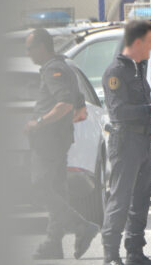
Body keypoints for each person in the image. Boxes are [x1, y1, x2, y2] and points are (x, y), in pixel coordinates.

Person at [24, 28, 99, 260]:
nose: (28, 54)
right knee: (57, 189)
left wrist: (39, 122)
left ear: (41, 47)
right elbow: (81, 109)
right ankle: (53, 242)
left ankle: (81, 226)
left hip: (49, 141)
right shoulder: (63, 66)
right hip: (58, 139)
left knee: (40, 186)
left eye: (30, 49)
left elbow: (65, 103)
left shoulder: (53, 69)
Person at [101, 20, 151, 265]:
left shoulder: (139, 67)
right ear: (137, 42)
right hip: (125, 140)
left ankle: (135, 253)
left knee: (140, 198)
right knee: (121, 198)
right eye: (150, 41)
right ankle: (111, 255)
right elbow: (119, 112)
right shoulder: (116, 71)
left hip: (142, 140)